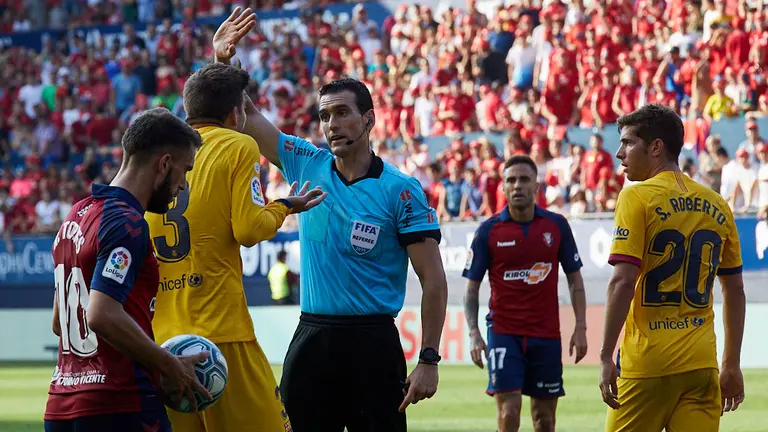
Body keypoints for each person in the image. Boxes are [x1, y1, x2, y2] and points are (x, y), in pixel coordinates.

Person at [213, 9, 448, 431]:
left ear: (369, 119)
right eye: (324, 116)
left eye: (342, 113)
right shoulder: (305, 162)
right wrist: (223, 62)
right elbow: (244, 116)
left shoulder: (401, 189)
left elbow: (433, 279)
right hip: (312, 338)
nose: (332, 124)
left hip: (373, 344)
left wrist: (428, 359)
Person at [145, 10, 325, 432]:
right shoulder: (238, 146)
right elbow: (248, 230)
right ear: (234, 115)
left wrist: (219, 61)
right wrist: (285, 207)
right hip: (221, 334)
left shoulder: (161, 154)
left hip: (163, 341)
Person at [44, 108, 210, 432]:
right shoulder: (128, 222)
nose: (183, 185)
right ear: (164, 164)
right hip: (120, 405)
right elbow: (101, 314)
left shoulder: (76, 215)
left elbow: (58, 323)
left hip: (61, 406)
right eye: (184, 170)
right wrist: (168, 364)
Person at [599, 104, 746, 432]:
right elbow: (734, 289)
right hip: (701, 365)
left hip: (647, 364)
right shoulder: (717, 204)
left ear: (655, 147)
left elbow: (622, 282)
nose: (620, 153)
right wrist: (731, 363)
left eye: (627, 143)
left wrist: (605, 354)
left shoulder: (636, 198)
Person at [463, 155, 588, 432]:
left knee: (545, 420)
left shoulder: (556, 227)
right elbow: (471, 288)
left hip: (546, 335)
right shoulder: (488, 231)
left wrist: (580, 327)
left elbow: (575, 280)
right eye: (510, 180)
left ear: (536, 187)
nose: (517, 185)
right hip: (504, 333)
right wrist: (473, 333)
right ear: (504, 189)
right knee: (508, 414)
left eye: (524, 179)